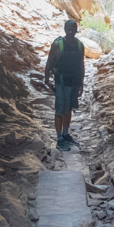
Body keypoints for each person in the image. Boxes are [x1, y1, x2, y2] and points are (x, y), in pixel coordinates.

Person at [44, 19, 85, 150]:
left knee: (68, 109)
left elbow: (81, 65)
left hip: (73, 82)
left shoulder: (79, 45)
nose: (71, 30)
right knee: (60, 110)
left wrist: (81, 84)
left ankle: (66, 134)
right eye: (68, 28)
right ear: (65, 29)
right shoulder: (57, 44)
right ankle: (59, 138)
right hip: (61, 82)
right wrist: (47, 80)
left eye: (73, 28)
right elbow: (49, 63)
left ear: (76, 29)